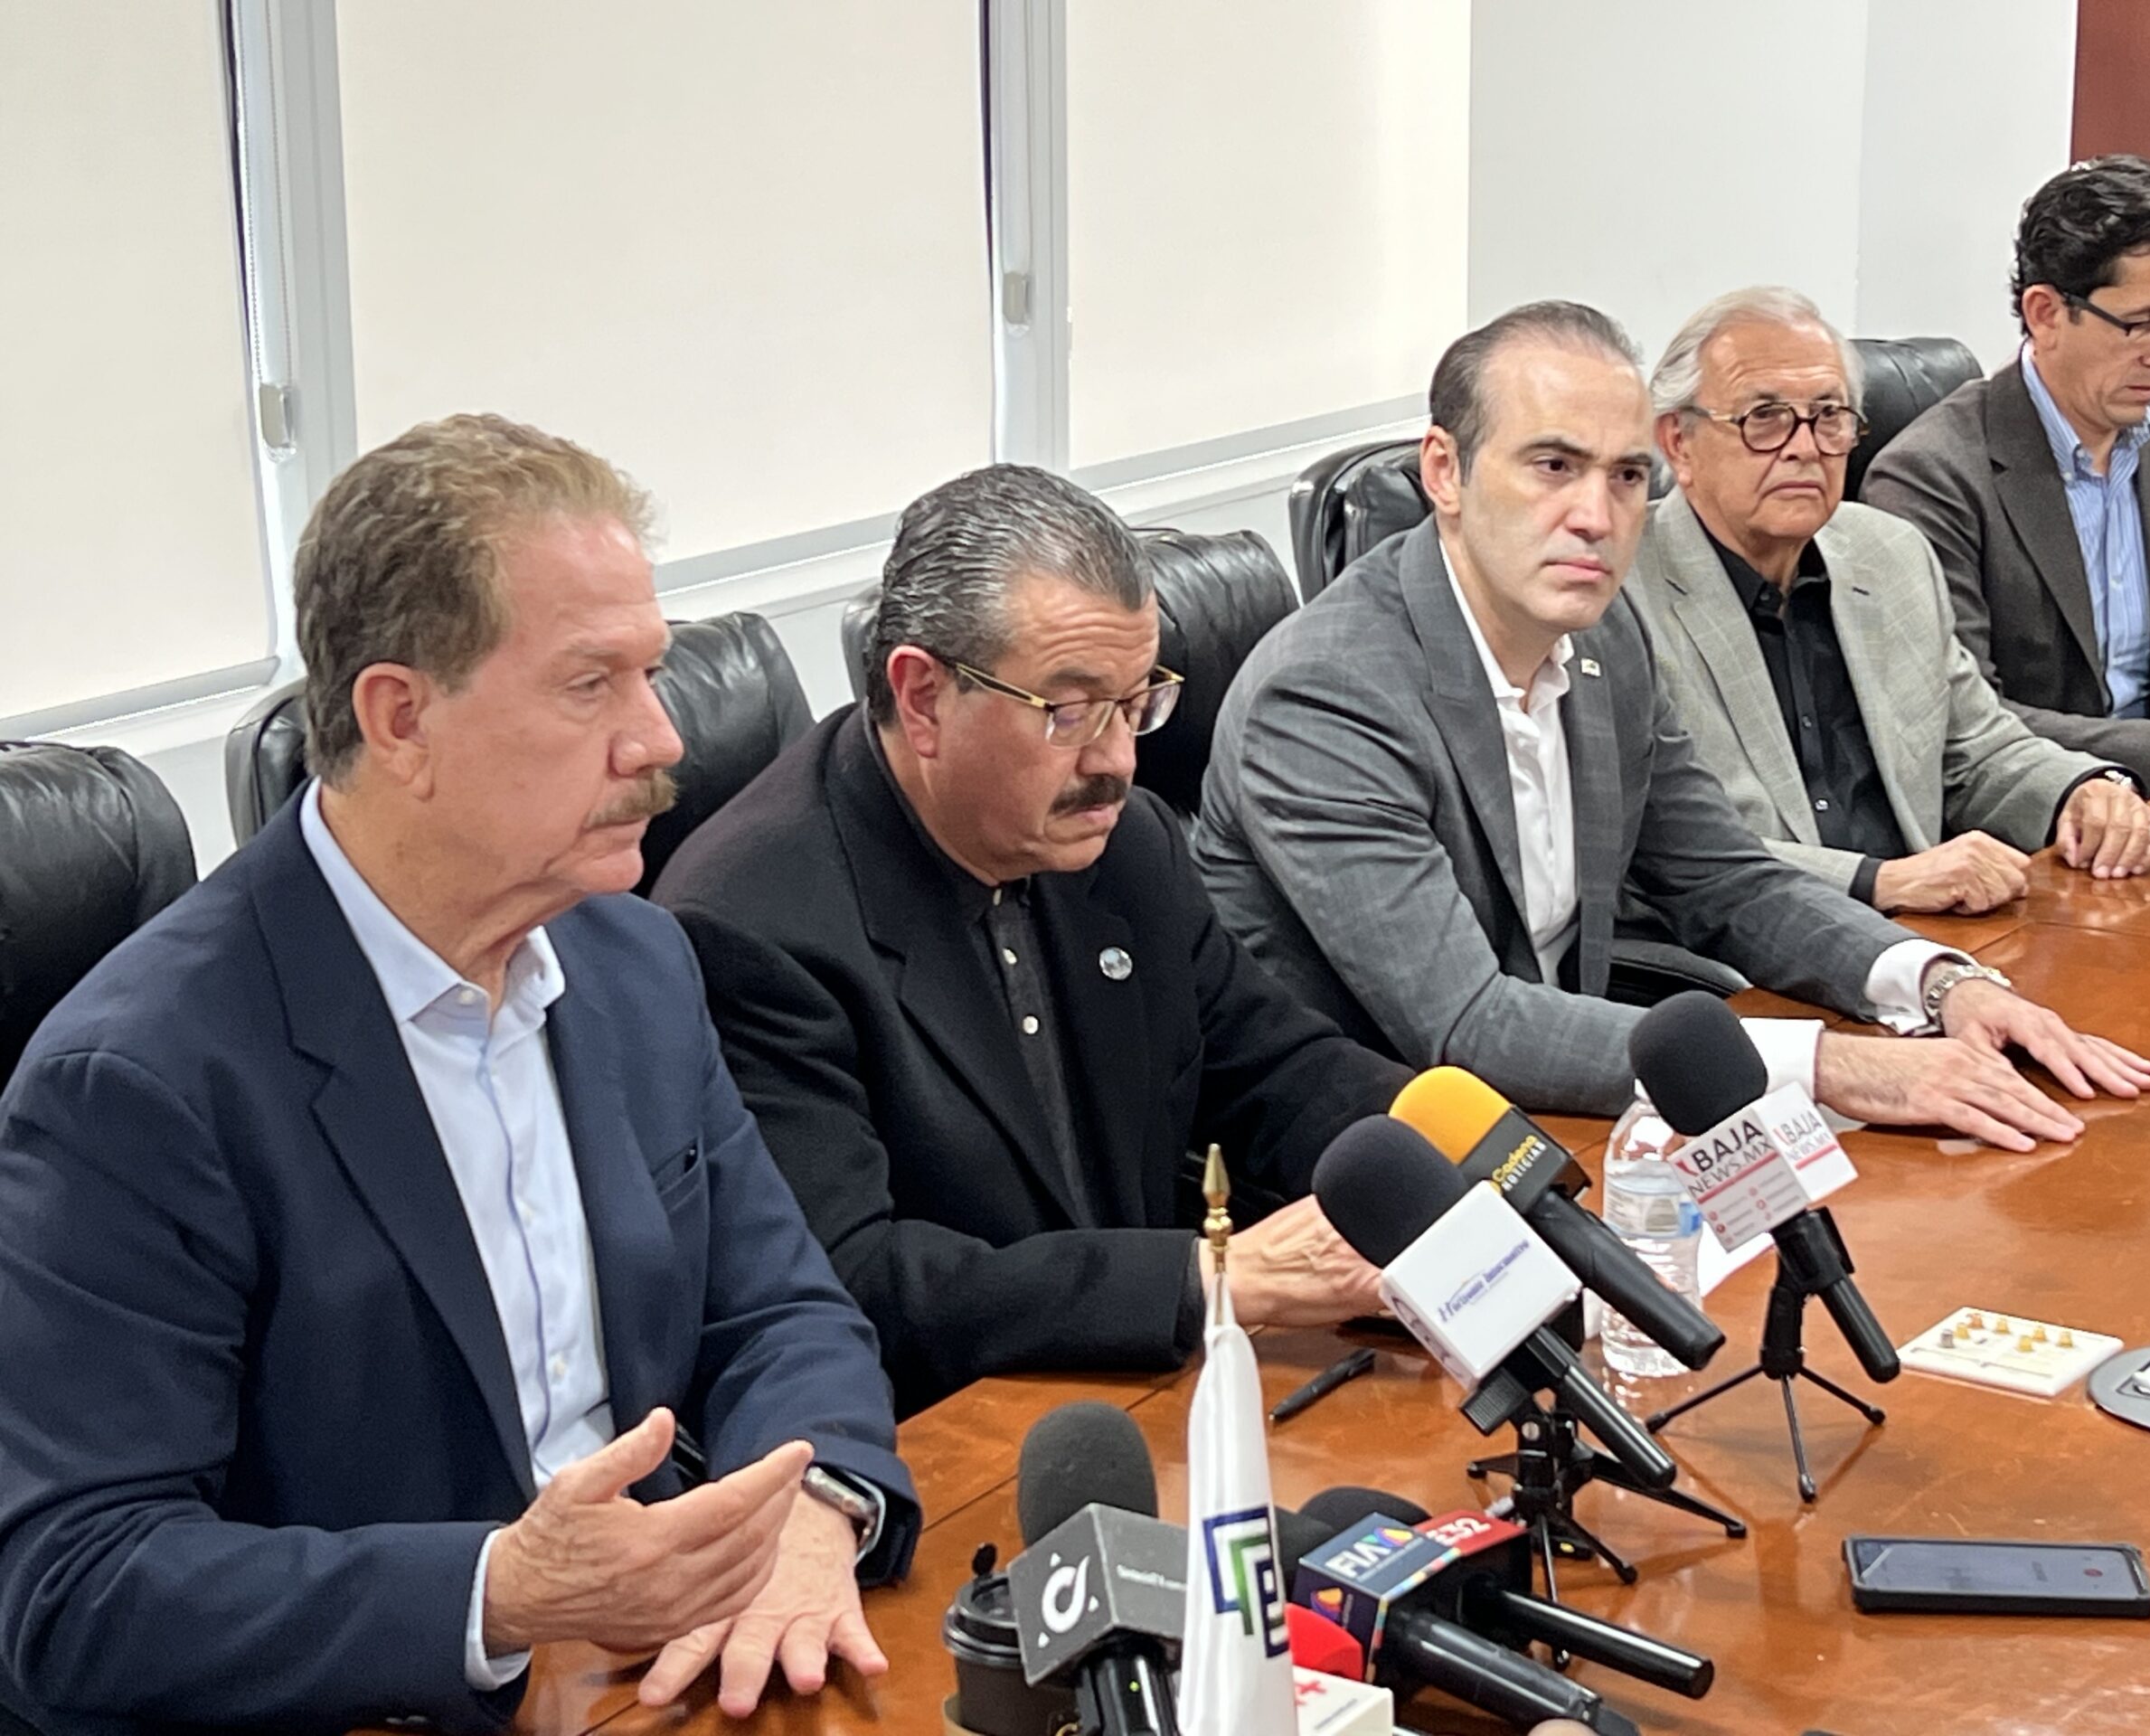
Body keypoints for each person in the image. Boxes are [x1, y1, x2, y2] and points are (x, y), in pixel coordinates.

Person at [0, 415, 918, 1736]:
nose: (660, 740)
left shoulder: (632, 963)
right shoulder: (141, 1083)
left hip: (662, 1671)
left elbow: (782, 1310)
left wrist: (814, 1511)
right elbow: (78, 1588)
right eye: (590, 685)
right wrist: (500, 1592)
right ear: (401, 720)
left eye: (652, 674)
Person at [1195, 300, 2150, 1137]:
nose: (1595, 515)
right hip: (1370, 1160)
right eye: (1552, 465)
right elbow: (1466, 1025)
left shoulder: (1604, 634)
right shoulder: (1326, 694)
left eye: (1624, 476)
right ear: (1444, 472)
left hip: (1574, 1114)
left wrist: (1939, 983)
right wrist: (1834, 1066)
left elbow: (1724, 878)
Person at [651, 464, 1410, 1418]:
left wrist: (1465, 1158)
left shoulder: (1123, 842)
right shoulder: (750, 926)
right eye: (1069, 711)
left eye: (1137, 703)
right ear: (922, 697)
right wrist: (1205, 1277)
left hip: (1150, 1391)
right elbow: (857, 1277)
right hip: (952, 1430)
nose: (1117, 760)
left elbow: (1274, 1067)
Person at [1631, 285, 2150, 915]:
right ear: (1679, 443)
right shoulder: (1621, 595)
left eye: (1829, 416)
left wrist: (2082, 790)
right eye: (1764, 417)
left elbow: (1976, 748)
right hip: (1751, 947)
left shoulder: (1889, 555)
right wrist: (1878, 882)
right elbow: (1667, 848)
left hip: (1932, 932)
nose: (1805, 447)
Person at [1864, 154, 2150, 791]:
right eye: (2141, 325)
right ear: (2046, 313)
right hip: (2023, 815)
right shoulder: (1930, 478)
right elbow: (1961, 722)